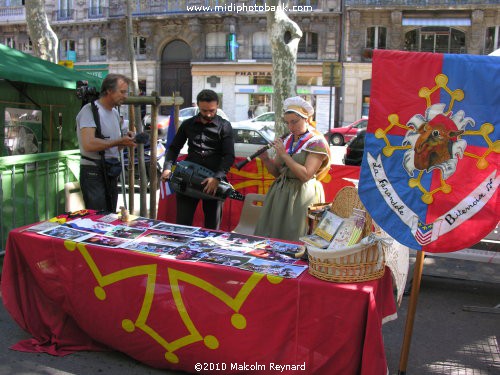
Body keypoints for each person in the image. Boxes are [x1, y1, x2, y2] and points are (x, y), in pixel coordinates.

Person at [254, 96, 331, 241]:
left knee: (295, 236)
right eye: (287, 123)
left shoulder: (317, 142)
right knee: (273, 234)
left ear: (306, 119)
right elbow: (277, 172)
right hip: (281, 193)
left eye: (294, 122)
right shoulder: (289, 139)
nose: (290, 127)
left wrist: (284, 154)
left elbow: (306, 175)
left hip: (302, 194)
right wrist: (265, 159)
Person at [160, 89, 235, 230]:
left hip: (213, 181)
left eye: (212, 111)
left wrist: (217, 178)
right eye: (204, 110)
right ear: (198, 106)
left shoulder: (225, 126)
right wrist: (167, 168)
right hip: (188, 179)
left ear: (217, 105)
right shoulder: (188, 124)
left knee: (212, 228)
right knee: (183, 225)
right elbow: (174, 148)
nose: (208, 114)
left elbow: (229, 156)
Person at [76, 73, 136, 213]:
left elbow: (113, 148)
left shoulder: (114, 113)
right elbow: (89, 144)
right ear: (109, 90)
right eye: (122, 92)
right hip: (93, 171)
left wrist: (125, 141)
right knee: (98, 216)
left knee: (109, 215)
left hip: (109, 170)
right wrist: (119, 140)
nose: (125, 96)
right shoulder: (89, 110)